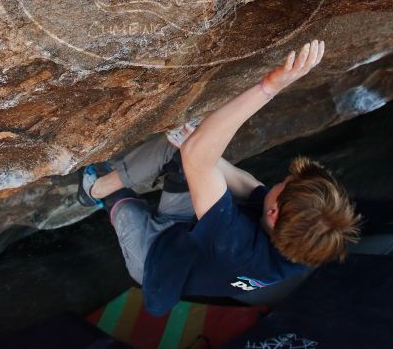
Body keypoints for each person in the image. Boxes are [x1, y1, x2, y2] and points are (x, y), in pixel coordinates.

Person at [77, 39, 362, 316]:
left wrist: (269, 87)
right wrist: (196, 143)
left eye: (283, 185)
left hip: (154, 256)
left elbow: (199, 158)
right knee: (180, 147)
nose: (280, 180)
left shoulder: (240, 250)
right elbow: (242, 182)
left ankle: (96, 190)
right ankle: (122, 179)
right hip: (192, 230)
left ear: (274, 214)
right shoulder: (298, 236)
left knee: (128, 203)